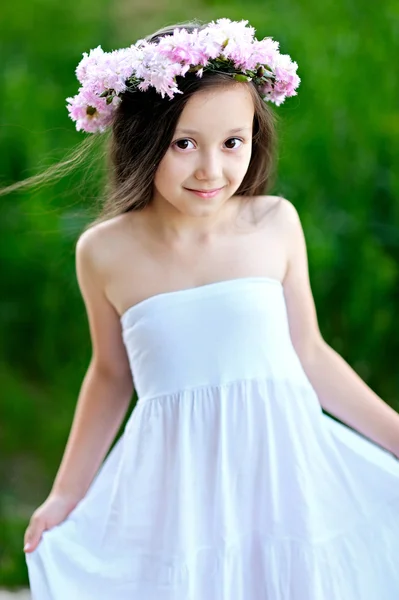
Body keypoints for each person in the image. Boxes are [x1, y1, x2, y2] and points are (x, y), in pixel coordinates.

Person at [22, 18, 399, 600]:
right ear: (145, 139)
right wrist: (66, 494)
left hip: (283, 470)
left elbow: (311, 354)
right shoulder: (104, 251)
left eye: (233, 142)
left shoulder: (274, 223)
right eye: (183, 143)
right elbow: (111, 373)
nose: (211, 170)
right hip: (179, 484)